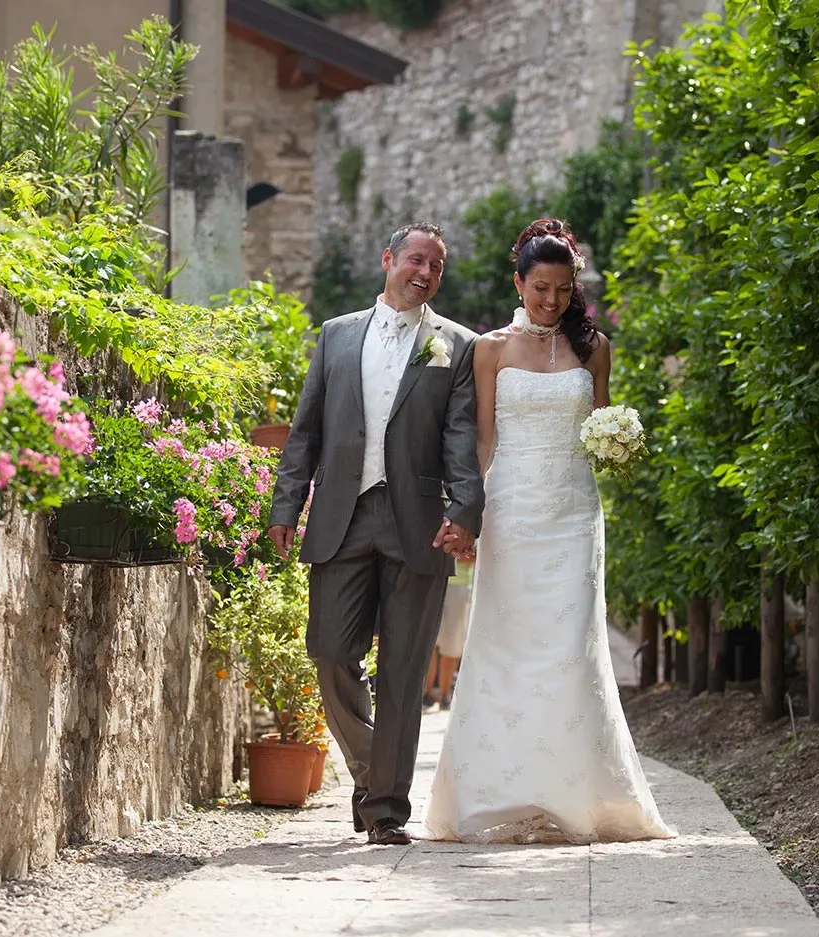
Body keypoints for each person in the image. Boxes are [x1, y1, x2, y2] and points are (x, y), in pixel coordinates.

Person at [420, 219, 675, 844]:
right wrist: (467, 515)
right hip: (511, 511)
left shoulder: (596, 348)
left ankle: (576, 797)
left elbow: (600, 421)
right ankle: (497, 794)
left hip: (573, 515)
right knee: (504, 646)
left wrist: (617, 442)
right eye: (540, 289)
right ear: (519, 284)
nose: (551, 301)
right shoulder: (490, 349)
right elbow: (484, 441)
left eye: (563, 290)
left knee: (569, 649)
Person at [269, 222, 485, 846]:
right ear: (389, 258)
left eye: (437, 266)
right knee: (329, 651)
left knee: (402, 672)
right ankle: (373, 772)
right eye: (416, 259)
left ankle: (386, 809)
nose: (426, 273)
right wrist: (286, 505)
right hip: (343, 515)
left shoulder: (458, 345)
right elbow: (306, 430)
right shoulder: (336, 335)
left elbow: (461, 436)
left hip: (419, 523)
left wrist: (466, 509)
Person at [425, 557, 473, 709]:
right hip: (430, 580)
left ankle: (445, 694)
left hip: (459, 584)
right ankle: (426, 694)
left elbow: (475, 557)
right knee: (428, 642)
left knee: (453, 643)